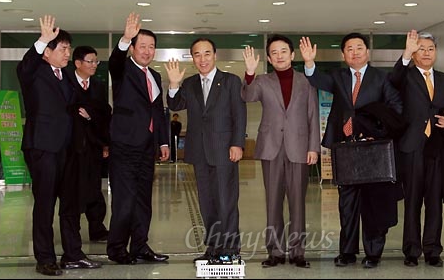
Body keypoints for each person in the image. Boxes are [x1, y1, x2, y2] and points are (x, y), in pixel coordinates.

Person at [299, 34, 403, 269]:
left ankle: (373, 253)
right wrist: (309, 63)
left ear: (367, 52)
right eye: (349, 49)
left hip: (372, 150)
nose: (354, 52)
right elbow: (316, 79)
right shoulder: (338, 76)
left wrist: (373, 128)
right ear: (343, 55)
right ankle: (347, 252)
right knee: (347, 203)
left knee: (372, 203)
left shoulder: (381, 78)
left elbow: (396, 109)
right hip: (345, 149)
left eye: (359, 48)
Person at [17, 15, 101, 276]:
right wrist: (42, 39)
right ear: (47, 53)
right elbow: (24, 67)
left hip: (67, 150)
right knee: (44, 204)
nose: (67, 53)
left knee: (70, 204)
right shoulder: (34, 73)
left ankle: (73, 254)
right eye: (63, 48)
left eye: (68, 48)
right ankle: (44, 258)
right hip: (42, 147)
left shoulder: (65, 76)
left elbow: (76, 104)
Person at [241, 35, 320, 269]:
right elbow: (247, 96)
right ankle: (275, 251)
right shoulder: (263, 81)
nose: (279, 56)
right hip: (271, 148)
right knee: (273, 202)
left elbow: (313, 116)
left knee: (298, 202)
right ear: (268, 58)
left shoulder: (306, 82)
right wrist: (249, 73)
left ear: (292, 54)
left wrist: (313, 147)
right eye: (274, 52)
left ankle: (298, 252)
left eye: (283, 51)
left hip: (299, 148)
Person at [165, 38, 247, 262]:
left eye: (207, 54)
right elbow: (175, 105)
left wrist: (238, 143)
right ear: (193, 58)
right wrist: (173, 85)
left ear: (215, 55)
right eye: (197, 55)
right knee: (207, 202)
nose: (202, 59)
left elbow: (239, 115)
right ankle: (213, 246)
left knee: (226, 200)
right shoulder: (190, 83)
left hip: (224, 150)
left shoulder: (230, 81)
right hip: (199, 152)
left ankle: (230, 248)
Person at [388, 29, 444, 267]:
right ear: (414, 53)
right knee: (413, 200)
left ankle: (432, 250)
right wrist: (406, 53)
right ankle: (411, 250)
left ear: (436, 53)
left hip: (437, 148)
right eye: (421, 49)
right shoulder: (405, 76)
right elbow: (392, 79)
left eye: (430, 49)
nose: (426, 53)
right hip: (412, 145)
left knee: (434, 201)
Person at [107, 12, 170, 265]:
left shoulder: (154, 76)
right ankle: (117, 248)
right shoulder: (123, 69)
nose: (147, 51)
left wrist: (163, 142)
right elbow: (113, 61)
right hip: (124, 146)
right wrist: (124, 38)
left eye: (151, 47)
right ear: (132, 48)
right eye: (141, 46)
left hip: (146, 148)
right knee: (124, 200)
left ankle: (140, 247)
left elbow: (158, 110)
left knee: (143, 200)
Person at [67, 46, 110, 243]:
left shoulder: (99, 87)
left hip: (93, 146)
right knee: (73, 190)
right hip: (70, 147)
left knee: (94, 188)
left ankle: (97, 228)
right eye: (90, 61)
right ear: (78, 63)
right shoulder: (66, 83)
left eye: (96, 62)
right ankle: (72, 232)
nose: (94, 65)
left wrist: (104, 143)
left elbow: (104, 115)